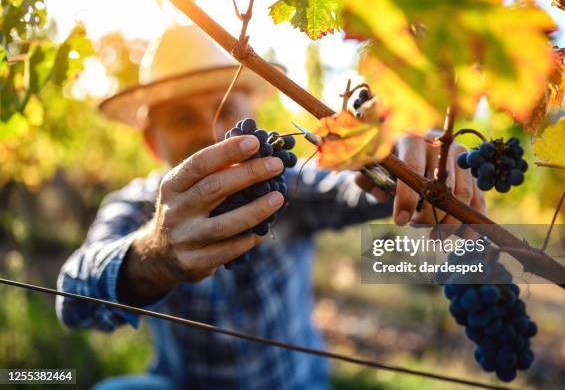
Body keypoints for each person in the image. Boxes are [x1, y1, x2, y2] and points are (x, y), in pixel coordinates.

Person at [56, 25, 485, 389]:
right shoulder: (137, 207)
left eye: (227, 110)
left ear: (252, 113)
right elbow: (73, 300)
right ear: (152, 143)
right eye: (184, 118)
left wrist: (406, 163)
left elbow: (348, 188)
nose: (215, 132)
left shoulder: (289, 186)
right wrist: (153, 255)